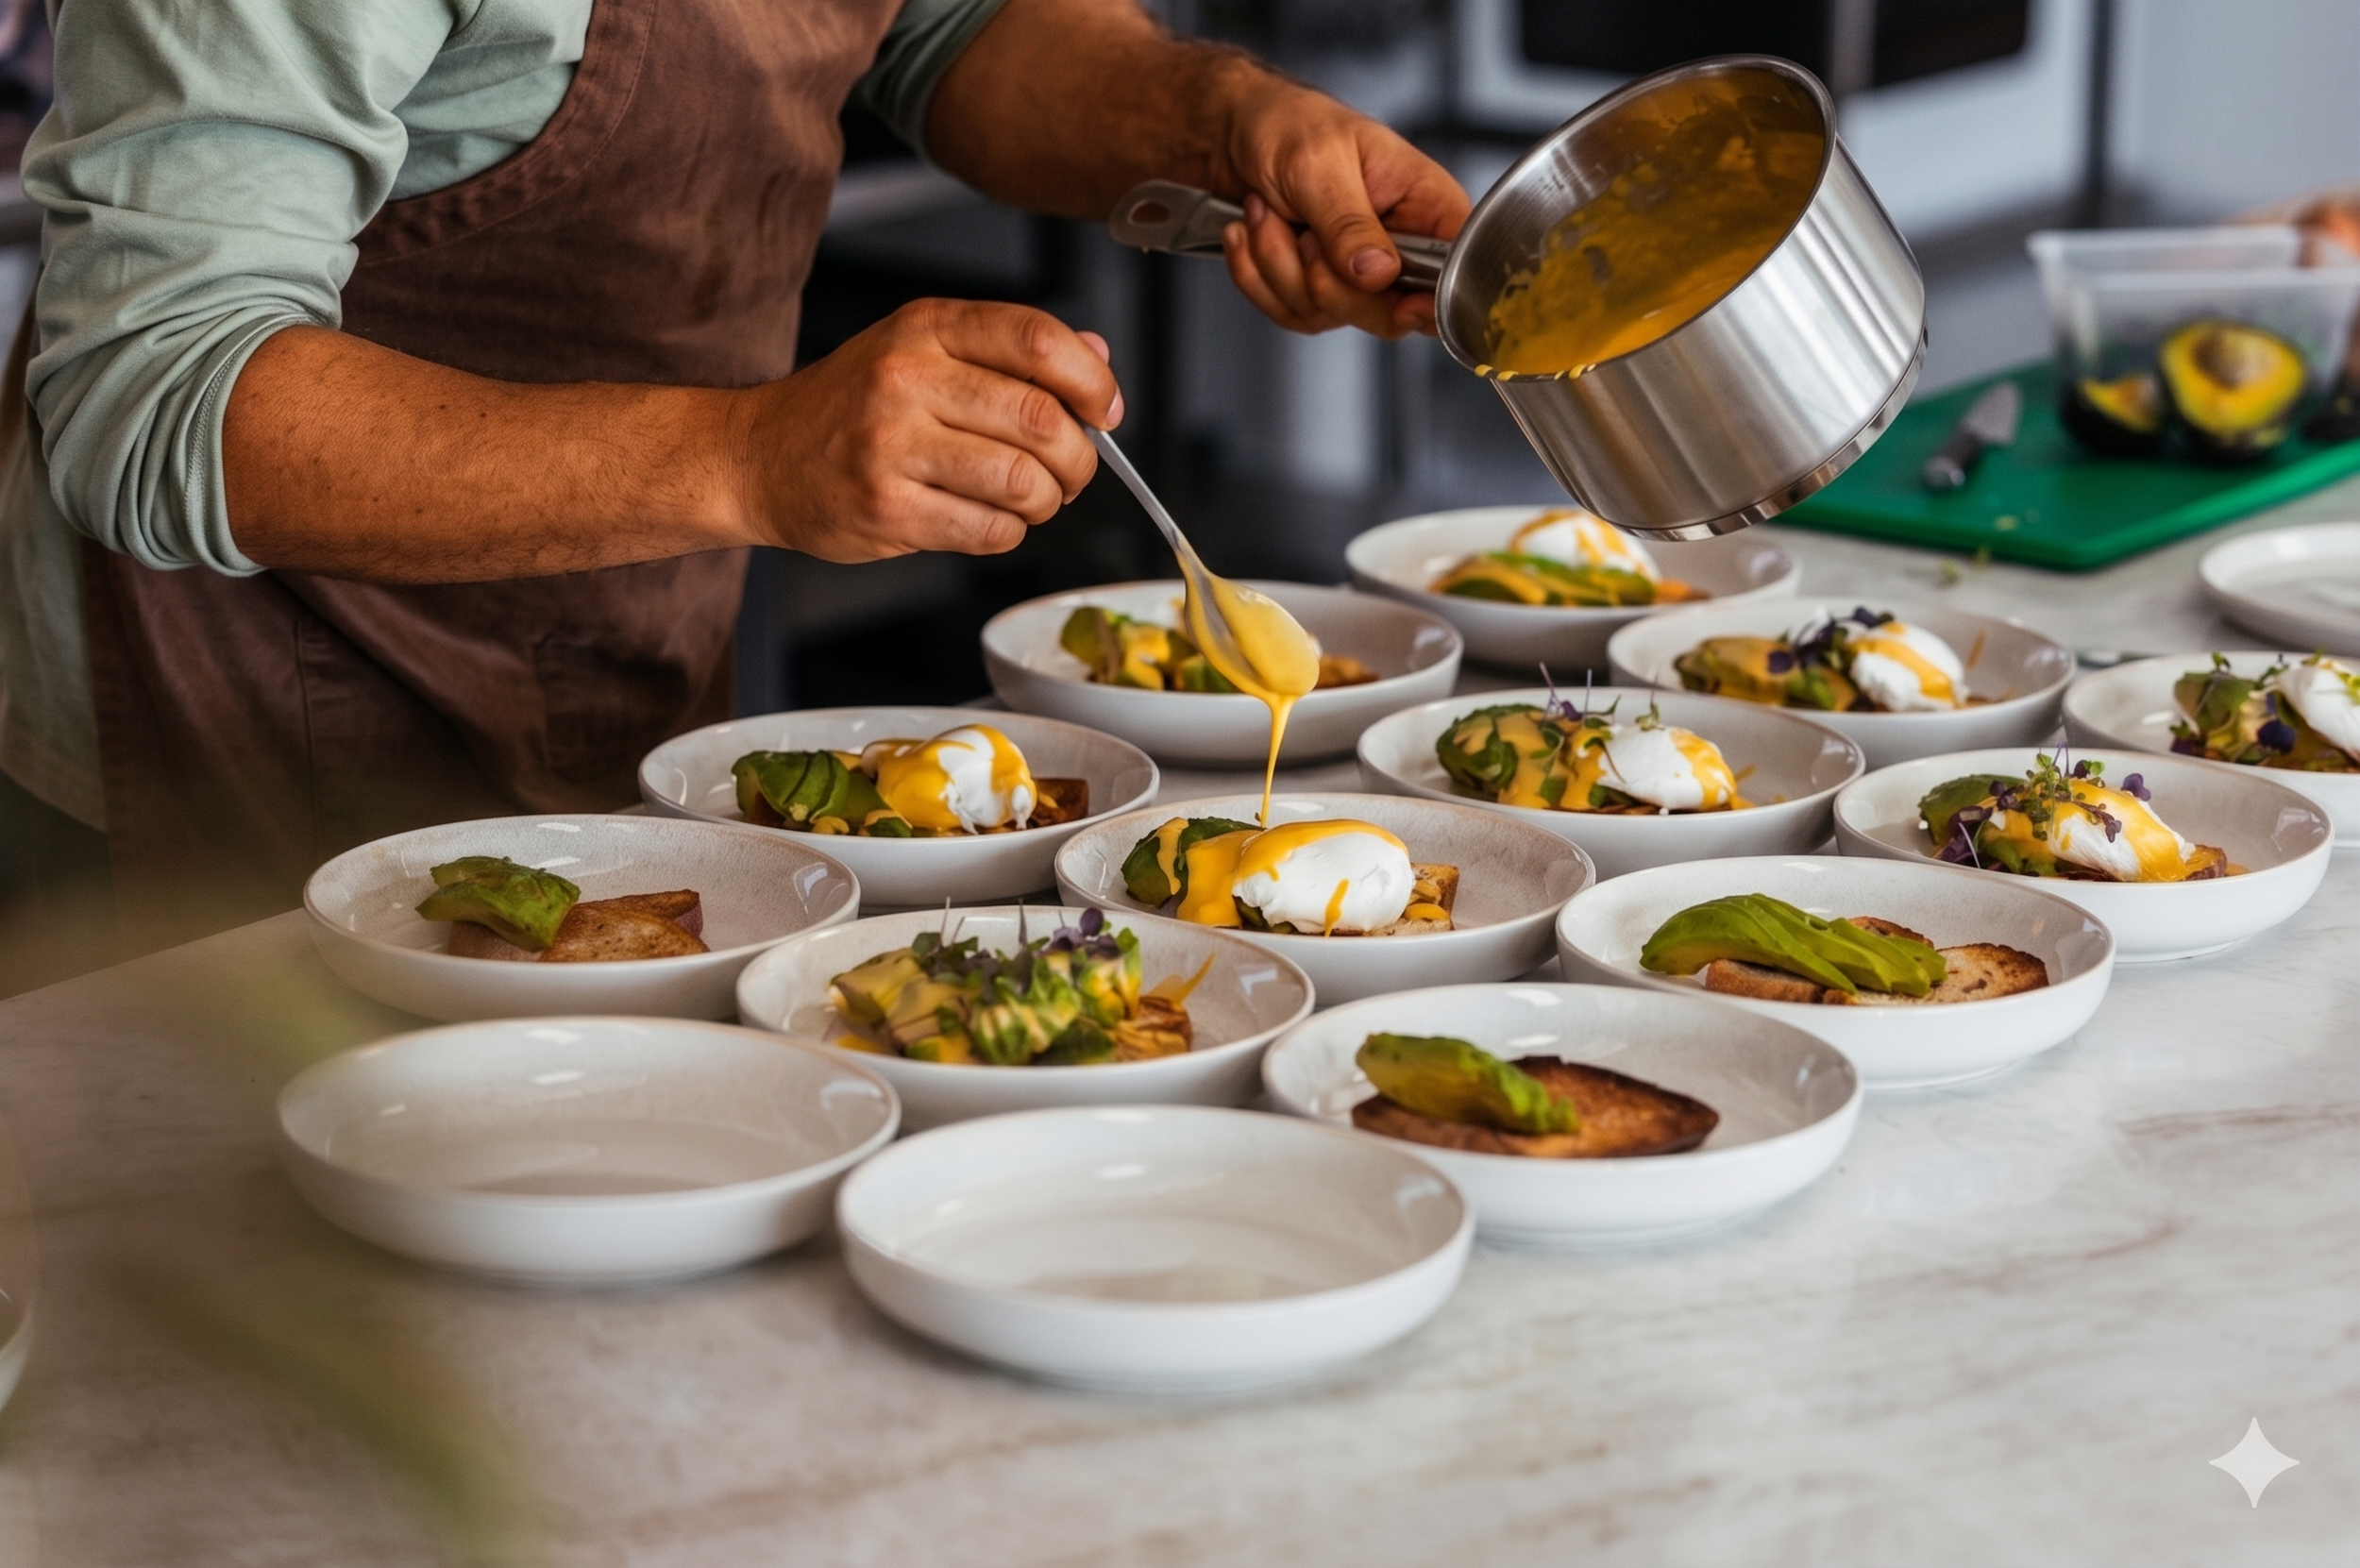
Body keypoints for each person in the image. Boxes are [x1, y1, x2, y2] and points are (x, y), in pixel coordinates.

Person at [0, 0, 1470, 955]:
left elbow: (949, 30)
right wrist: (754, 456)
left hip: (631, 683)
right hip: (235, 761)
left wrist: (1215, 121)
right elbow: (157, 385)